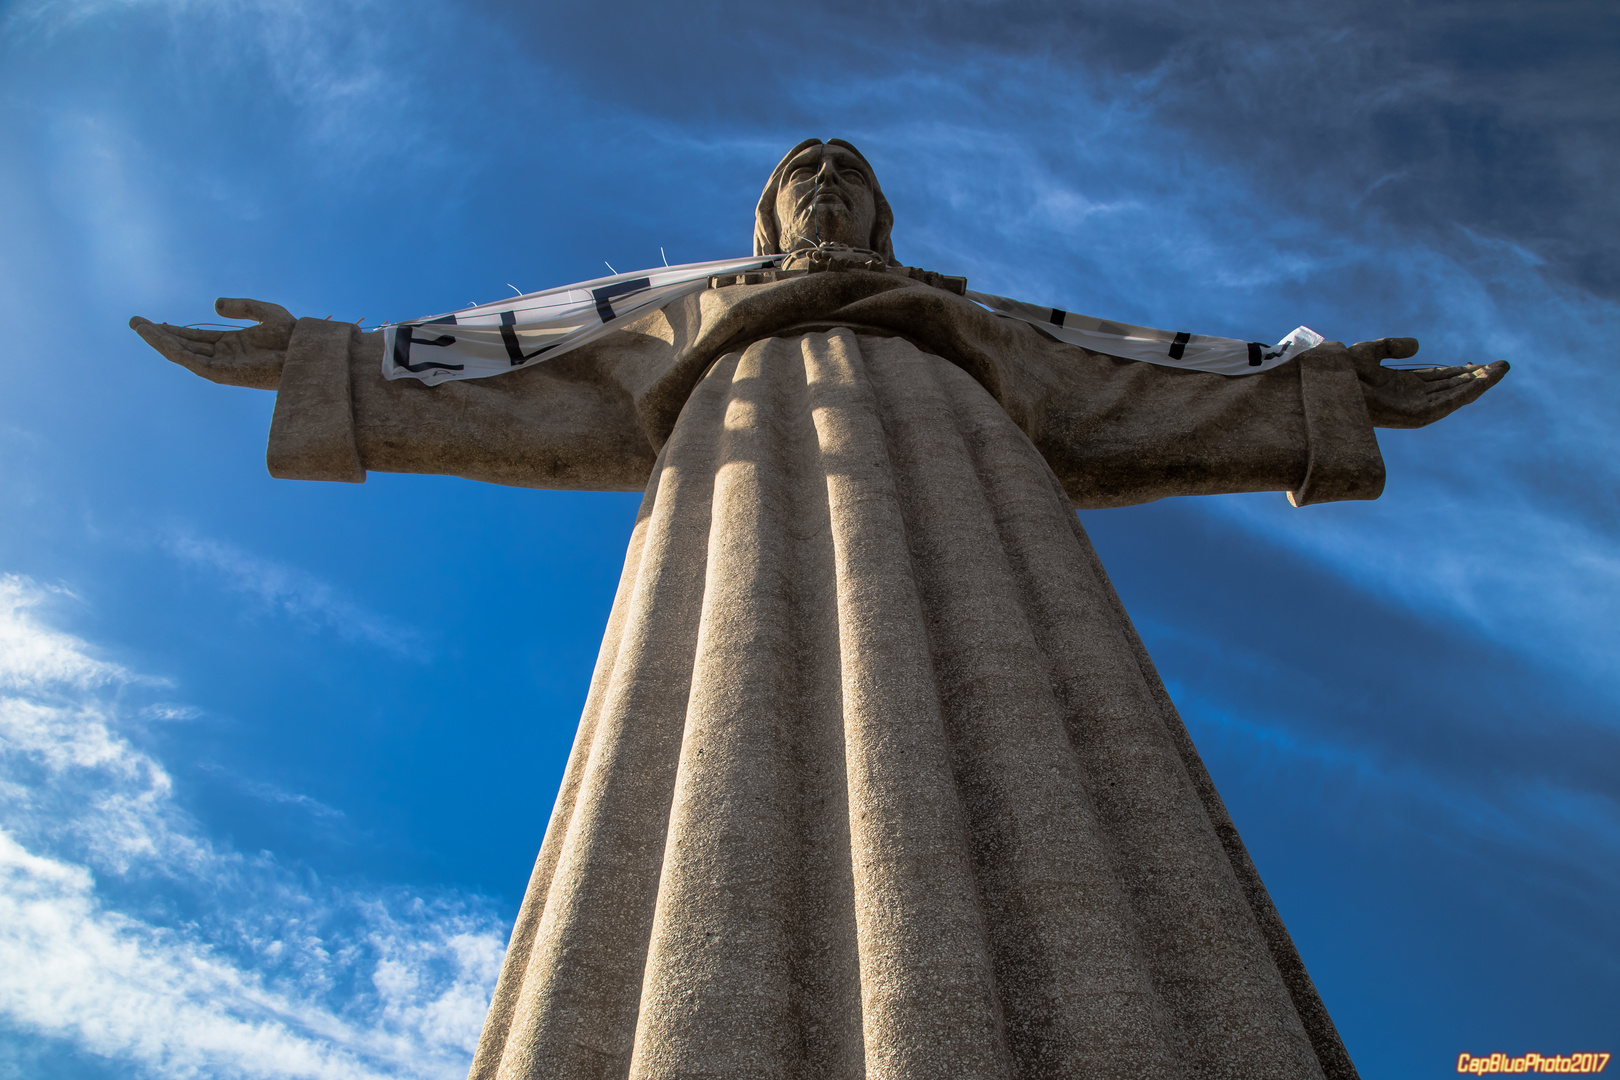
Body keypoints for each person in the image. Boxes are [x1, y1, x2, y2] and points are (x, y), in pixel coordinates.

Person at [133, 137, 1505, 1080]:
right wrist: (325, 365)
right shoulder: (682, 321)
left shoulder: (981, 333)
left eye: (851, 176)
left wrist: (1320, 390)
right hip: (734, 502)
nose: (831, 188)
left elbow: (1149, 385)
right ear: (769, 220)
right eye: (806, 176)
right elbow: (508, 379)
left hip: (982, 500)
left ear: (883, 219)